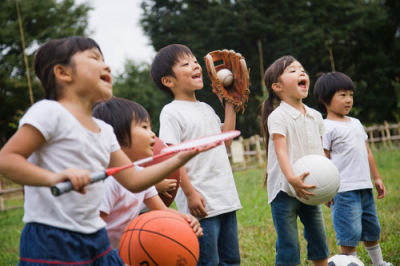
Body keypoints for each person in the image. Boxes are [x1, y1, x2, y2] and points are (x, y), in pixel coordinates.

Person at [0, 36, 216, 265]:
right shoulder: (49, 112)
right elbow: (7, 159)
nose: (106, 66)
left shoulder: (104, 130)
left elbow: (134, 179)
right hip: (53, 237)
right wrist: (54, 177)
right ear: (63, 73)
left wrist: (182, 156)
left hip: (96, 238)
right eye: (94, 58)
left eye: (104, 59)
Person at [150, 44, 242, 265]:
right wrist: (190, 193)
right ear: (168, 81)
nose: (195, 66)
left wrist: (229, 103)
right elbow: (173, 155)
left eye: (194, 61)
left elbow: (225, 141)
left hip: (225, 196)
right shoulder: (171, 112)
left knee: (231, 260)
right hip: (200, 201)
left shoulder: (206, 108)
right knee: (207, 261)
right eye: (185, 64)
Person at [92, 97, 202, 249]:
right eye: (144, 127)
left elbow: (162, 210)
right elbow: (95, 230)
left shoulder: (140, 176)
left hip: (117, 251)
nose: (152, 134)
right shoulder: (108, 181)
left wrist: (187, 219)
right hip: (97, 252)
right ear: (116, 137)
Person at [313, 72, 392, 266]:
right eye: (342, 95)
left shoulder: (356, 123)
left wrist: (377, 178)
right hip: (343, 190)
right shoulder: (326, 127)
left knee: (372, 229)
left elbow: (367, 153)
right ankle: (349, 262)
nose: (348, 100)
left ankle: (378, 262)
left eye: (351, 95)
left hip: (364, 187)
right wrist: (326, 190)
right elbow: (324, 160)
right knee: (349, 233)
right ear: (325, 99)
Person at [260, 55, 329, 265]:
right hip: (284, 190)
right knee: (288, 245)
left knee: (319, 241)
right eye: (292, 70)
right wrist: (291, 178)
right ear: (277, 86)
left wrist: (328, 186)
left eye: (302, 69)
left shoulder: (316, 116)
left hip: (309, 188)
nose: (301, 72)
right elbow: (281, 151)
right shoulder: (278, 116)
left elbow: (321, 154)